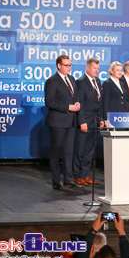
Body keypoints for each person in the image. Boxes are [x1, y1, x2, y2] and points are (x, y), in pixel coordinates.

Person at [44, 55, 80, 191]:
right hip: (58, 121)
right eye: (66, 65)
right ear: (59, 65)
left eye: (70, 65)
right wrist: (68, 107)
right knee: (56, 152)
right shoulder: (52, 81)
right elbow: (49, 101)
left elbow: (74, 95)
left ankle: (68, 179)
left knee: (69, 152)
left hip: (71, 121)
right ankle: (56, 181)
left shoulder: (71, 79)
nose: (69, 68)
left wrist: (76, 103)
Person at [73, 58, 104, 186]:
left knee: (89, 151)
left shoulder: (97, 81)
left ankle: (85, 175)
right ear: (87, 68)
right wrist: (82, 121)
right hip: (84, 121)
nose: (96, 71)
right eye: (94, 68)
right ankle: (77, 175)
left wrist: (101, 119)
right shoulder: (80, 82)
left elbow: (99, 103)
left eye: (98, 68)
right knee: (80, 150)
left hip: (95, 121)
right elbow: (80, 103)